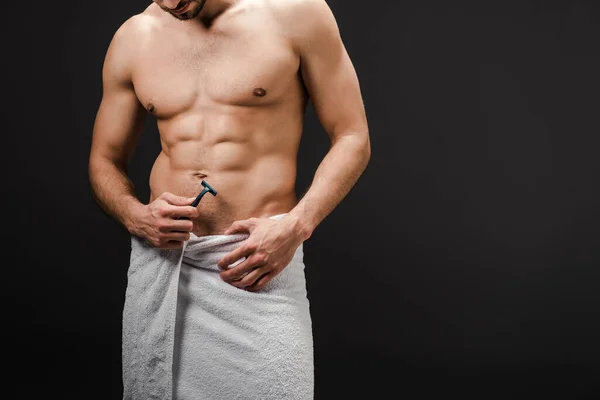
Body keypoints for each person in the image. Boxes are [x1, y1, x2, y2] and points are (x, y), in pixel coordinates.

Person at [88, 0, 370, 398]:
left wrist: (296, 225)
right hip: (166, 266)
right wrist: (135, 215)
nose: (171, 3)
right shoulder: (135, 37)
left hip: (256, 264)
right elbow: (104, 160)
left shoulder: (297, 13)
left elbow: (353, 137)